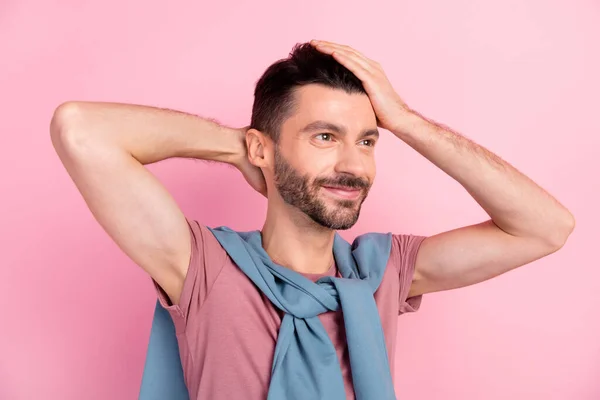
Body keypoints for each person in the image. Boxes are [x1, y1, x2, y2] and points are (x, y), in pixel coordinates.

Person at [50, 40, 575, 400]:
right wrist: (245, 150)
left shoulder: (385, 271)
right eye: (325, 137)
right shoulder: (201, 266)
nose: (351, 164)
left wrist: (408, 122)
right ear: (264, 146)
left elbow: (545, 226)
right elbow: (79, 129)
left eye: (366, 141)